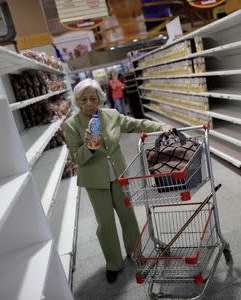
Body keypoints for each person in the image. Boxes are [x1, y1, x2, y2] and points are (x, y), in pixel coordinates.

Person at [63, 78, 173, 283]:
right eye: (84, 99)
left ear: (100, 99)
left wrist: (160, 125)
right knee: (105, 224)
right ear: (77, 100)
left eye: (93, 98)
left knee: (128, 216)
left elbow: (135, 124)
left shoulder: (111, 115)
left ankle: (136, 253)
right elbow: (76, 158)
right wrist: (90, 146)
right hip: (95, 182)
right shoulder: (71, 125)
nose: (89, 103)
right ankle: (113, 263)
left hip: (119, 177)